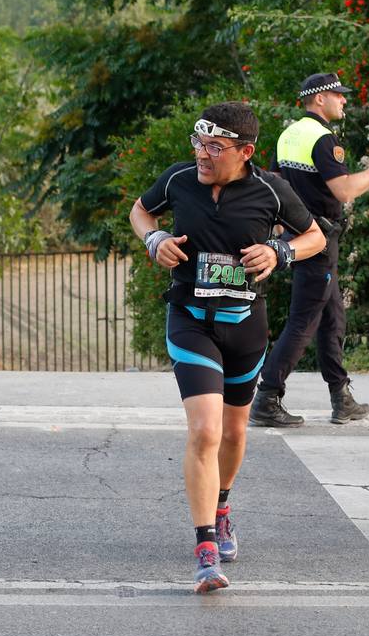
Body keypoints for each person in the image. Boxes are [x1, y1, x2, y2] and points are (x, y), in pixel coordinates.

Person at [129, 102, 324, 592]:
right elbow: (140, 210)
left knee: (235, 434)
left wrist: (279, 251)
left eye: (215, 147)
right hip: (191, 321)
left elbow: (315, 238)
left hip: (245, 326)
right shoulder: (178, 181)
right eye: (198, 143)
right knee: (204, 431)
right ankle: (205, 548)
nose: (202, 155)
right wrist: (153, 240)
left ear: (245, 151)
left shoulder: (270, 191)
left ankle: (221, 506)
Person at [250, 72, 369, 428]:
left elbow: (274, 188)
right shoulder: (322, 138)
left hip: (297, 236)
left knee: (332, 317)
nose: (344, 100)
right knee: (305, 320)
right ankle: (267, 396)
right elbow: (345, 191)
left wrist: (277, 233)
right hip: (318, 240)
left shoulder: (289, 134)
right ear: (320, 99)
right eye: (338, 94)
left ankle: (341, 396)